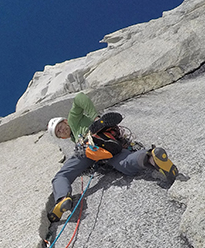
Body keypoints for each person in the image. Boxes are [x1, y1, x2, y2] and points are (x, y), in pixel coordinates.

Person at [46, 92, 178, 222]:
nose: (62, 130)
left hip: (89, 147)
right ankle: (151, 158)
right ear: (61, 138)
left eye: (60, 127)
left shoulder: (73, 119)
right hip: (108, 148)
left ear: (65, 121)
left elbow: (79, 97)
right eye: (59, 132)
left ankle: (62, 198)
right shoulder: (73, 135)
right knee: (125, 164)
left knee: (62, 175)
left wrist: (96, 118)